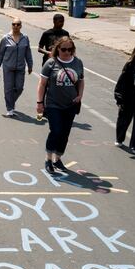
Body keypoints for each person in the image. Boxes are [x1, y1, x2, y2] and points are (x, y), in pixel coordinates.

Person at [36, 36, 84, 175]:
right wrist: (39, 103)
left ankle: (58, 159)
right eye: (64, 49)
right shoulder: (51, 63)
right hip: (53, 104)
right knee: (56, 131)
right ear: (58, 49)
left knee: (65, 134)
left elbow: (81, 81)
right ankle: (48, 159)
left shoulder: (78, 63)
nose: (67, 52)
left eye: (70, 49)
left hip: (71, 105)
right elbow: (42, 84)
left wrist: (80, 95)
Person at [0, 18, 33, 117]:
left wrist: (30, 65)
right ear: (11, 25)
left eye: (18, 24)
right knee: (8, 89)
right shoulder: (5, 38)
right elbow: (0, 54)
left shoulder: (25, 38)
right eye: (13, 24)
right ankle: (10, 109)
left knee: (19, 88)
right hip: (8, 67)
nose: (15, 26)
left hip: (20, 68)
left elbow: (28, 53)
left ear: (21, 26)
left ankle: (11, 101)